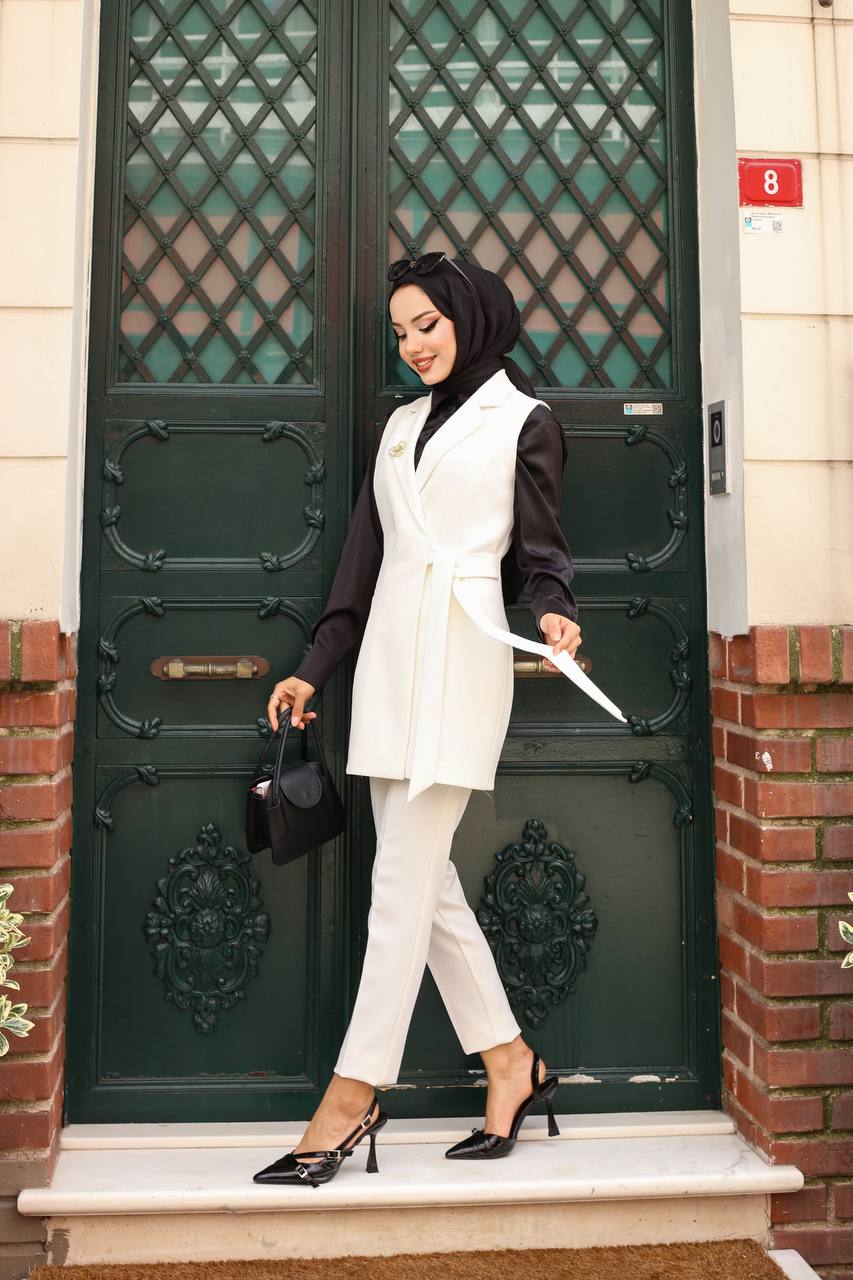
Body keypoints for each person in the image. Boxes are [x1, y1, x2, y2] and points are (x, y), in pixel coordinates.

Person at [253, 253, 581, 1189]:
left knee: (398, 885)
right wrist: (314, 669)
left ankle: (351, 1096)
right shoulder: (399, 428)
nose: (412, 345)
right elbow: (360, 564)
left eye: (426, 325)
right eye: (399, 332)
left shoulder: (526, 420)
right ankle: (511, 1063)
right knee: (423, 883)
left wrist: (555, 612)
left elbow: (542, 550)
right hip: (390, 664)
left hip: (464, 657)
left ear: (469, 318)